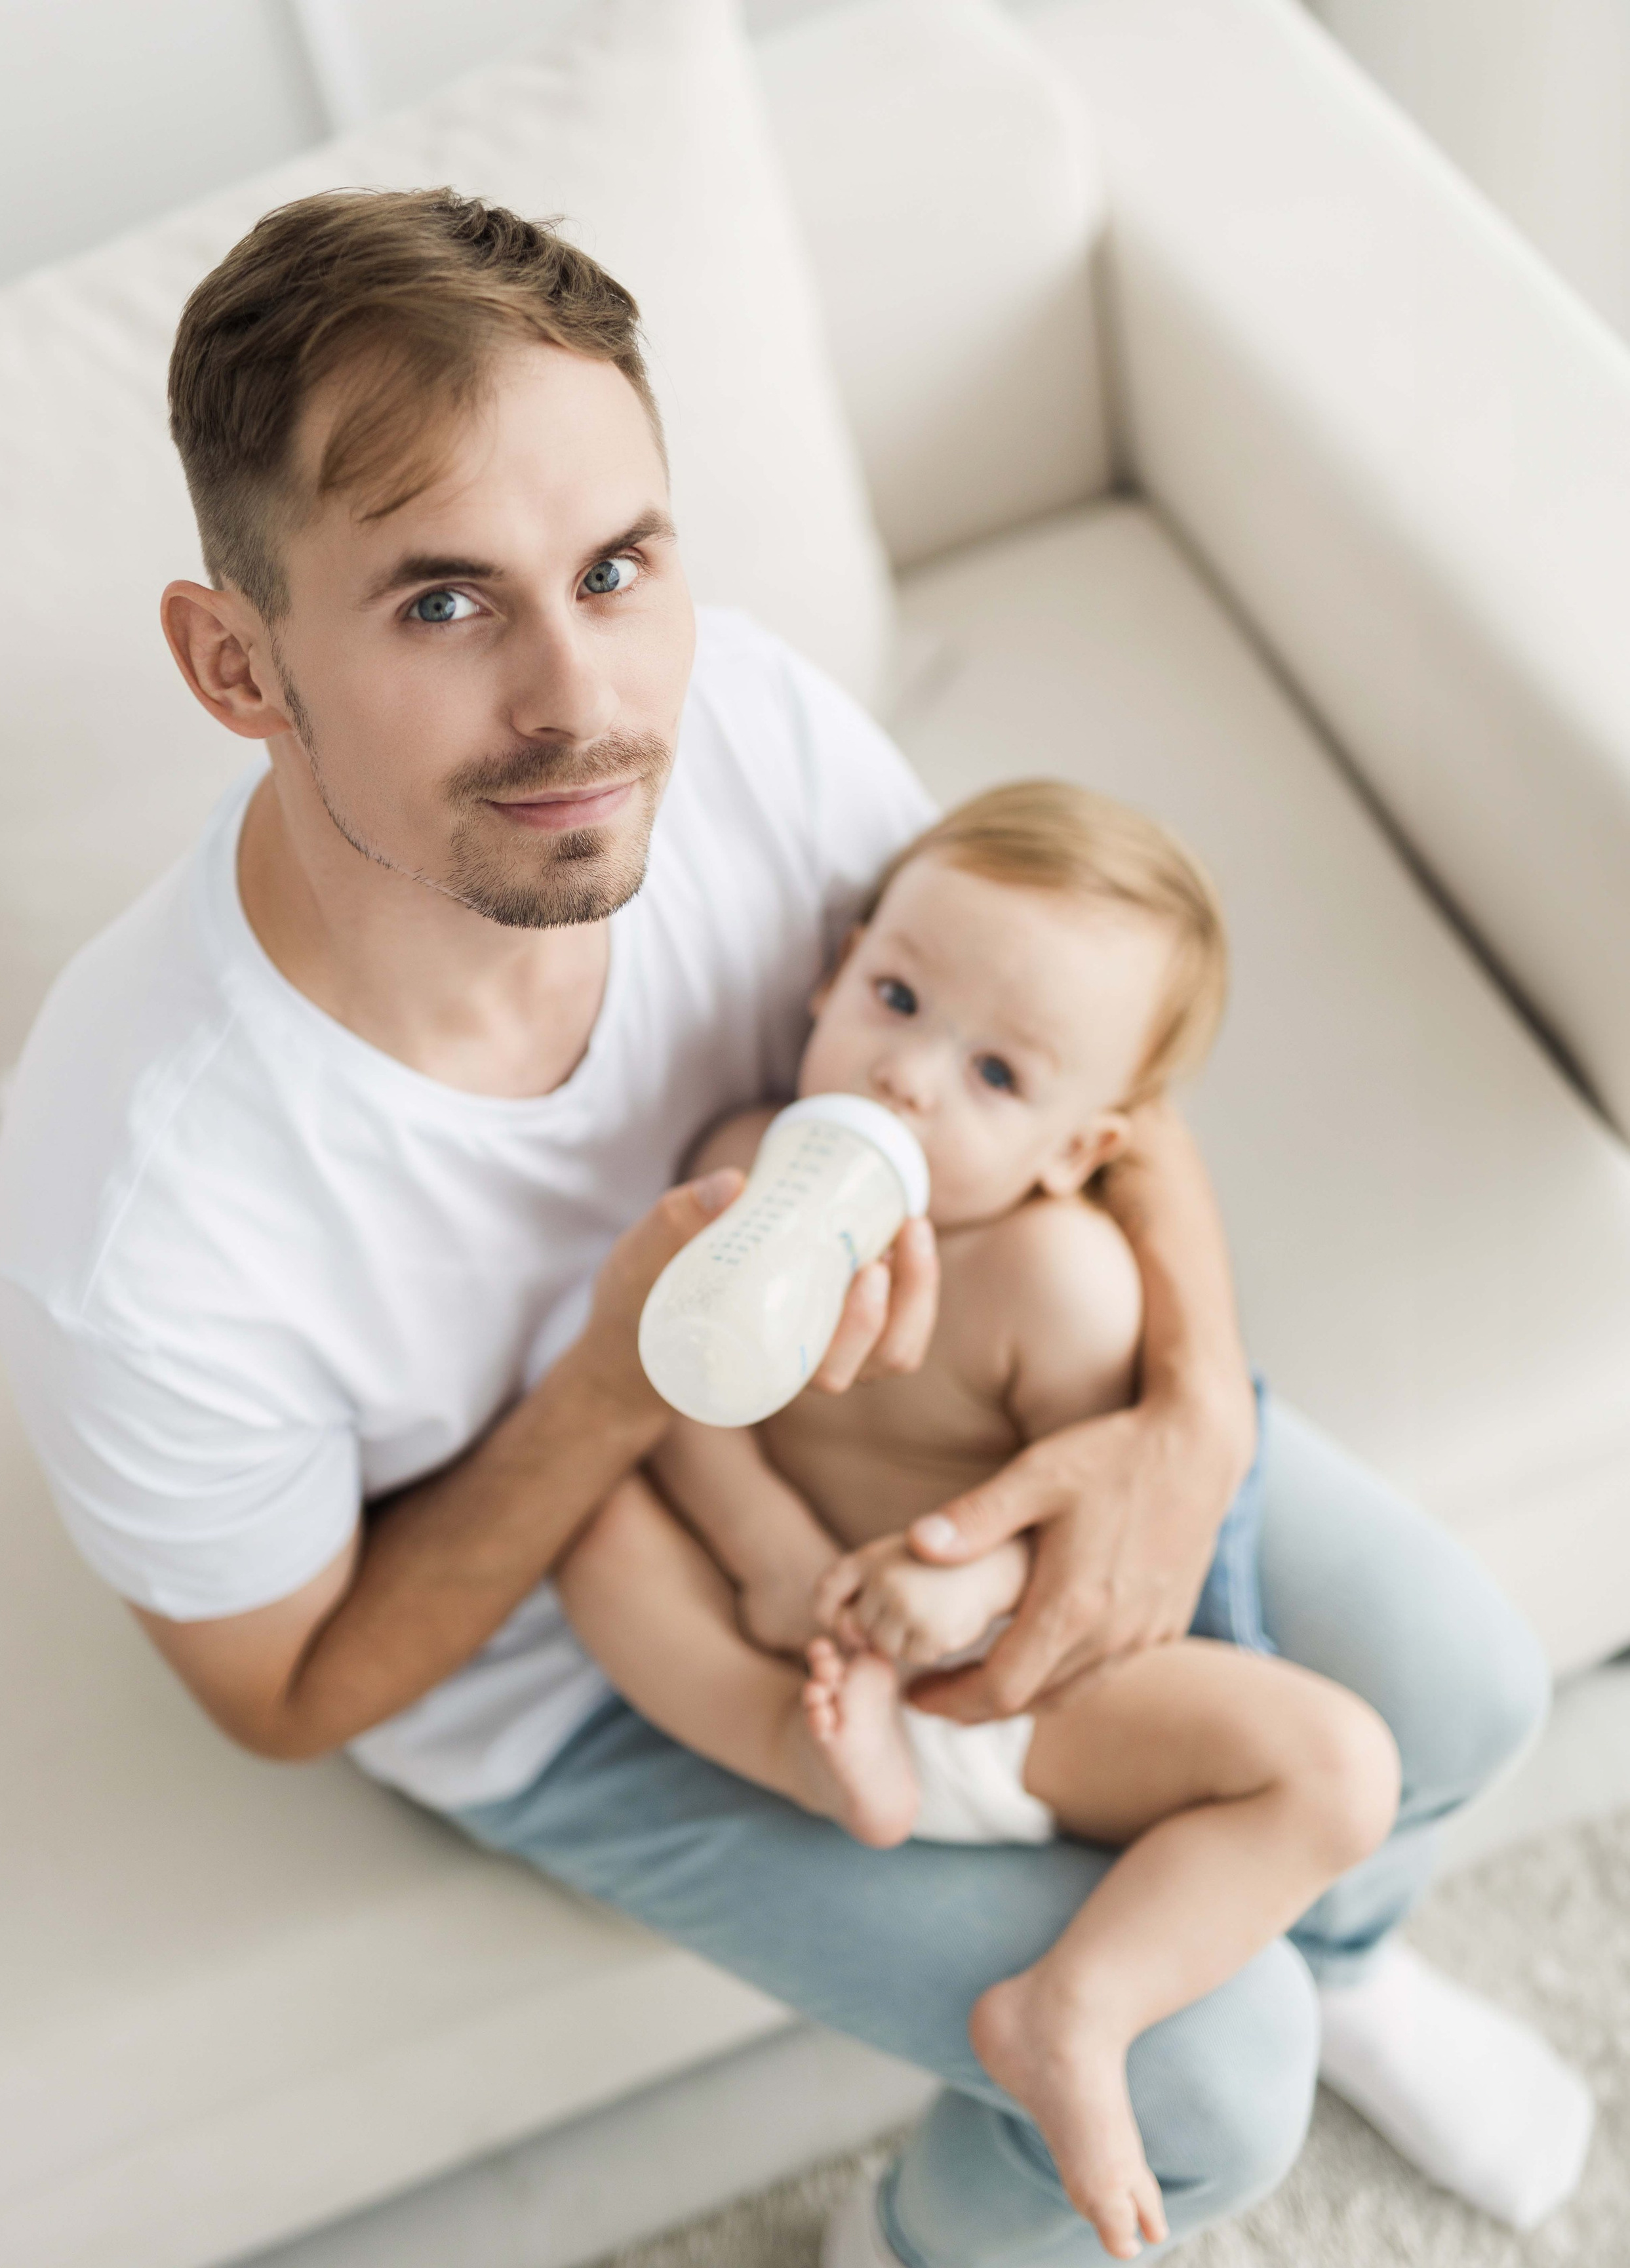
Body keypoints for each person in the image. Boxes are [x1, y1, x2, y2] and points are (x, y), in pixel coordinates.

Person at [0, 188, 1586, 2265]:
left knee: (1455, 1695)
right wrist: (618, 1380)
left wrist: (1176, 1417)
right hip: (576, 1642)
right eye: (446, 606)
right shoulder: (137, 1215)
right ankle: (916, 2244)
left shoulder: (734, 729)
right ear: (235, 662)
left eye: (620, 568)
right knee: (1201, 2086)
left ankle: (1345, 1953)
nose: (587, 701)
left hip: (924, 1438)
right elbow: (290, 1689)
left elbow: (1075, 1040)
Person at [556, 779, 1405, 2260]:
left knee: (1340, 1767)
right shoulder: (749, 1161)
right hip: (800, 1653)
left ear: (1085, 1149)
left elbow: (1084, 1511)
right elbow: (679, 1393)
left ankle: (1073, 2005)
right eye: (892, 999)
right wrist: (769, 1558)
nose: (907, 1082)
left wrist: (963, 1587)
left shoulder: (1060, 1280)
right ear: (831, 974)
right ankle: (808, 1753)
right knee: (588, 1530)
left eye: (998, 1077)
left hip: (1010, 1684)